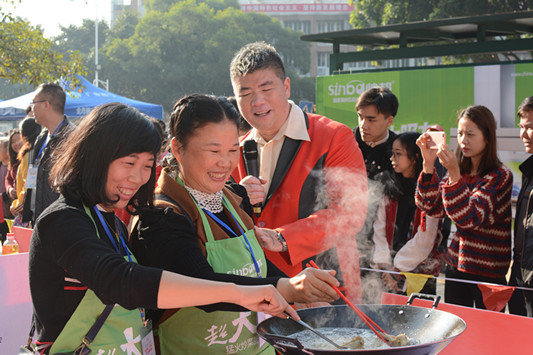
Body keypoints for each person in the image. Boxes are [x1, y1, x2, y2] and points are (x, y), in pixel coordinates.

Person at [29, 102, 297, 355]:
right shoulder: (61, 221)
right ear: (96, 157)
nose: (138, 178)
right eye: (129, 163)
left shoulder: (110, 219)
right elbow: (122, 280)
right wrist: (238, 292)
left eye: (147, 166)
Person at [131, 94, 340, 354]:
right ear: (177, 149)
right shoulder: (161, 216)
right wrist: (287, 288)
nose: (226, 162)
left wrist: (299, 285)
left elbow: (256, 264)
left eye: (232, 150)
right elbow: (200, 283)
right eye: (213, 150)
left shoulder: (233, 197)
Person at [229, 42, 367, 304]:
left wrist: (282, 238)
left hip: (325, 287)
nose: (257, 101)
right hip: (262, 289)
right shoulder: (232, 149)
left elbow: (350, 214)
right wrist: (235, 195)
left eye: (266, 89)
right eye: (245, 93)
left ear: (287, 87)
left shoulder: (334, 136)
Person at [415, 105, 512, 309]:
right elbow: (430, 207)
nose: (463, 140)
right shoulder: (459, 171)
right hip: (455, 266)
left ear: (487, 137)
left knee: (488, 335)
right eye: (459, 133)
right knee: (458, 331)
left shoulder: (500, 176)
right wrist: (428, 165)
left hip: (488, 274)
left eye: (470, 134)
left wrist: (454, 175)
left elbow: (469, 217)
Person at [371, 132, 442, 294]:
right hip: (388, 270)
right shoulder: (391, 188)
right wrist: (385, 265)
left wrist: (398, 268)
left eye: (398, 154)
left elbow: (426, 237)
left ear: (415, 157)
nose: (392, 159)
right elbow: (379, 228)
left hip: (420, 271)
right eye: (392, 154)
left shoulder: (429, 189)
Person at [27, 83, 75, 224]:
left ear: (46, 105)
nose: (32, 108)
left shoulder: (72, 138)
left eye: (34, 103)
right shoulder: (42, 137)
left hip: (61, 222)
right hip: (39, 219)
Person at [509, 96, 533, 317]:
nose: (523, 134)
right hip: (521, 281)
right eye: (522, 127)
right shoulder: (528, 172)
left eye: (530, 127)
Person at [9, 117, 41, 227]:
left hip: (30, 214)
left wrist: (16, 206)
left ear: (22, 135)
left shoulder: (31, 156)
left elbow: (29, 188)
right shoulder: (40, 150)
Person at [5, 128, 22, 217]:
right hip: (15, 206)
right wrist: (10, 189)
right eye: (13, 142)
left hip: (22, 206)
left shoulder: (28, 159)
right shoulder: (13, 161)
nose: (16, 144)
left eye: (19, 140)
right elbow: (8, 179)